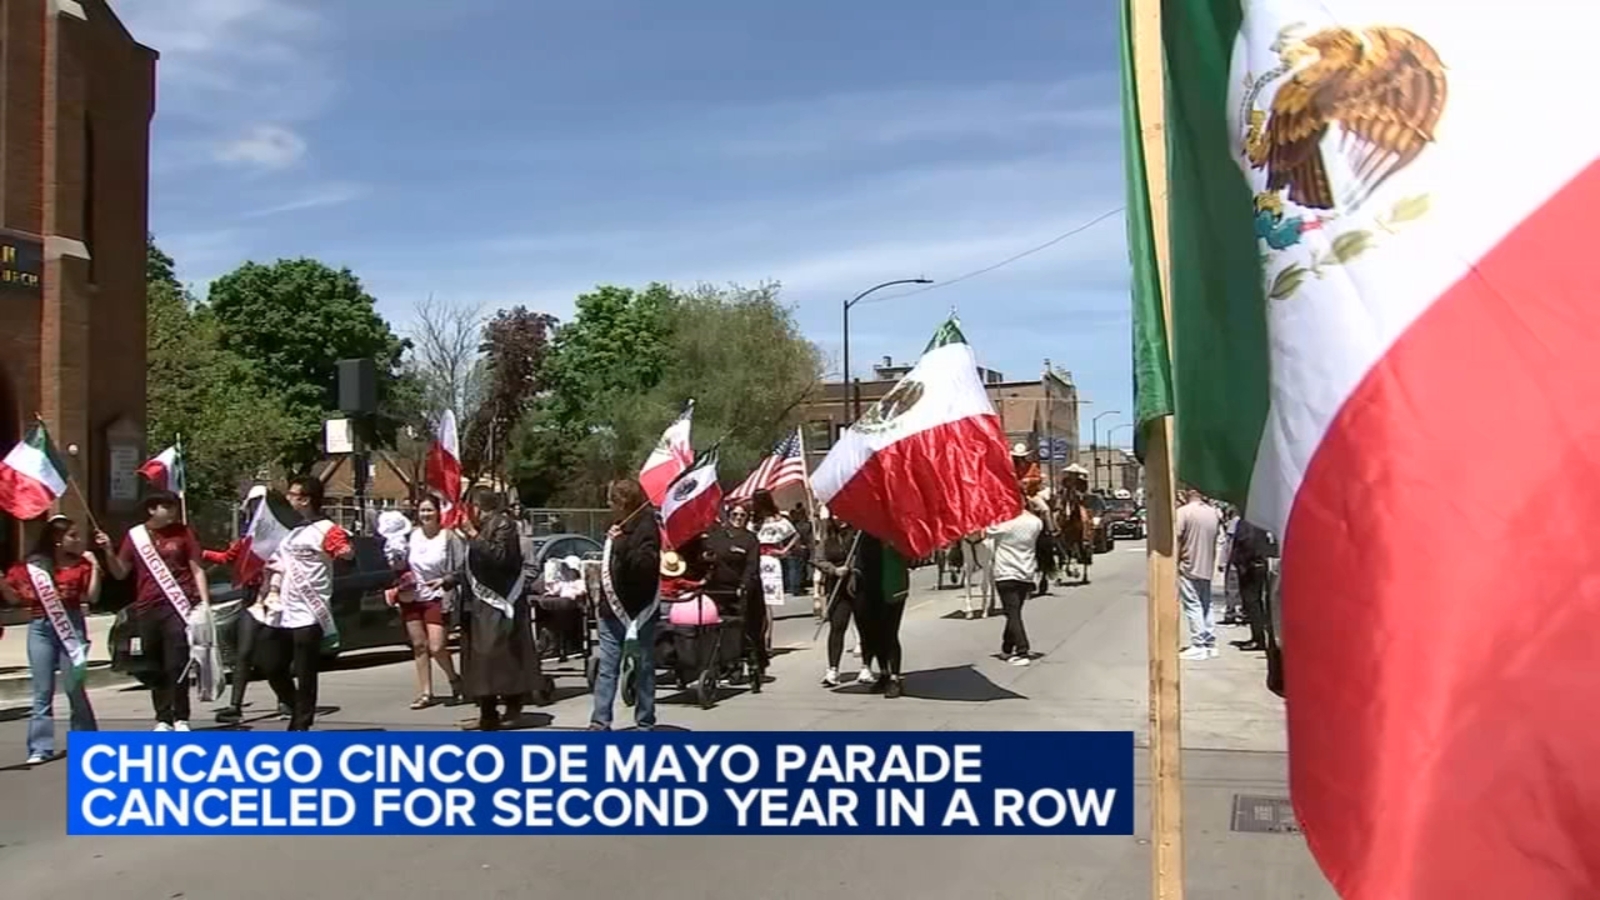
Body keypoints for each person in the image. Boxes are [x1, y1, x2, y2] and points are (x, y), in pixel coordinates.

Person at [252, 476, 355, 731]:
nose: (289, 498)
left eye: (292, 494)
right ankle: (296, 706)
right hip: (283, 610)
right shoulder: (293, 530)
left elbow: (347, 554)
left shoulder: (326, 529)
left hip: (310, 611)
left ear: (305, 499)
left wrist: (345, 551)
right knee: (270, 663)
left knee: (305, 671)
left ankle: (300, 725)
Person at [103, 490, 210, 732]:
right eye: (167, 506)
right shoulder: (136, 536)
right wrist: (108, 550)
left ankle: (181, 717)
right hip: (148, 607)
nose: (172, 511)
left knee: (177, 663)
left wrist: (204, 604)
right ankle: (163, 718)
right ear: (152, 509)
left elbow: (197, 569)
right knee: (154, 664)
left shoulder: (183, 533)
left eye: (174, 506)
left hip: (178, 607)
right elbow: (120, 572)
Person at [0, 516, 103, 762]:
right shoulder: (32, 567)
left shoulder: (81, 565)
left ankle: (86, 739)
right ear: (57, 539)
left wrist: (96, 567)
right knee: (42, 689)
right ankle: (40, 748)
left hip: (72, 627)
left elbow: (92, 597)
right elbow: (15, 599)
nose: (78, 540)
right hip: (40, 628)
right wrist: (2, 584)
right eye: (72, 536)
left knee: (73, 687)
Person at [439, 487, 541, 731]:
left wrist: (474, 536)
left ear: (478, 506)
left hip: (499, 604)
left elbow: (499, 558)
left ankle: (513, 710)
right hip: (477, 605)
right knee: (479, 664)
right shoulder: (479, 528)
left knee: (503, 660)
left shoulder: (503, 525)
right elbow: (472, 565)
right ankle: (487, 714)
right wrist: (450, 579)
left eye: (469, 506)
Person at [210, 486, 288, 724]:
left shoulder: (284, 537)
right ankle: (235, 706)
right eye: (254, 504)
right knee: (244, 652)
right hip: (252, 599)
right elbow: (227, 558)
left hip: (277, 598)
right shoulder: (248, 539)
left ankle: (286, 699)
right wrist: (196, 552)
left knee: (275, 655)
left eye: (261, 503)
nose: (257, 509)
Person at [591, 478, 661, 731]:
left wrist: (621, 544)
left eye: (612, 500)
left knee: (643, 668)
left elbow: (645, 566)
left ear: (623, 501)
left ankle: (645, 721)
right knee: (607, 668)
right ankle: (600, 722)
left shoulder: (647, 527)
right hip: (611, 609)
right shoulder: (615, 524)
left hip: (639, 610)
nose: (609, 505)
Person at [390, 496, 465, 709]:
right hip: (413, 597)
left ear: (438, 512)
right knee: (419, 646)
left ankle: (454, 679)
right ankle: (426, 693)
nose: (425, 514)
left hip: (438, 596)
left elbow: (461, 568)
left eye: (430, 510)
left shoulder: (449, 537)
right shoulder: (412, 536)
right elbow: (400, 564)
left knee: (437, 646)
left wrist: (445, 580)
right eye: (422, 510)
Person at [702, 505, 765, 689]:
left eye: (742, 515)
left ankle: (735, 665)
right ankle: (717, 665)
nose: (738, 518)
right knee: (714, 627)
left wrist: (744, 585)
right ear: (728, 516)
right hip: (715, 589)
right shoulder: (716, 537)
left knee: (737, 627)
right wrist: (705, 558)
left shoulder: (750, 540)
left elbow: (752, 566)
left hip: (738, 590)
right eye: (735, 514)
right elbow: (705, 558)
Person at [854, 531, 910, 699]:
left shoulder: (898, 531)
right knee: (874, 634)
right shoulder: (863, 533)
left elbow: (911, 556)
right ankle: (884, 672)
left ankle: (895, 678)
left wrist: (894, 545)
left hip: (892, 587)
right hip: (869, 588)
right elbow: (857, 560)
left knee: (890, 633)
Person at [814, 516, 866, 687]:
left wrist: (851, 566)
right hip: (837, 586)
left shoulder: (859, 533)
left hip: (858, 585)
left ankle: (866, 666)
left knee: (865, 627)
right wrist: (834, 570)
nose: (840, 518)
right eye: (836, 514)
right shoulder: (828, 538)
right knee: (837, 626)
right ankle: (833, 669)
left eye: (843, 514)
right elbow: (819, 559)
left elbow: (867, 557)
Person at [988, 503, 1043, 666]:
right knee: (1014, 612)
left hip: (1005, 573)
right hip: (1026, 573)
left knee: (1012, 614)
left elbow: (984, 529)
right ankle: (1006, 648)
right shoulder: (1035, 522)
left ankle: (1022, 650)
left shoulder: (1003, 523)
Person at [1176, 488, 1223, 661]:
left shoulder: (1183, 512)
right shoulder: (1213, 513)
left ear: (1187, 493)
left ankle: (1198, 644)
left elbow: (1177, 539)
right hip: (1207, 564)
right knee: (1206, 604)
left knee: (1193, 605)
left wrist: (1174, 563)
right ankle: (1210, 643)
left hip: (1189, 564)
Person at [750, 490, 796, 650]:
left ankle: (767, 639)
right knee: (757, 601)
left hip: (770, 560)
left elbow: (794, 535)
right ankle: (758, 639)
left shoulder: (778, 519)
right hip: (755, 559)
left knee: (767, 601)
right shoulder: (753, 519)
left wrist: (784, 551)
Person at [1229, 519, 1276, 653]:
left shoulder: (1248, 523)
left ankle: (1258, 638)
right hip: (1257, 564)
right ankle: (1260, 637)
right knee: (1257, 602)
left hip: (1250, 566)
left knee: (1252, 602)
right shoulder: (1261, 521)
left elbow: (1246, 543)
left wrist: (1239, 562)